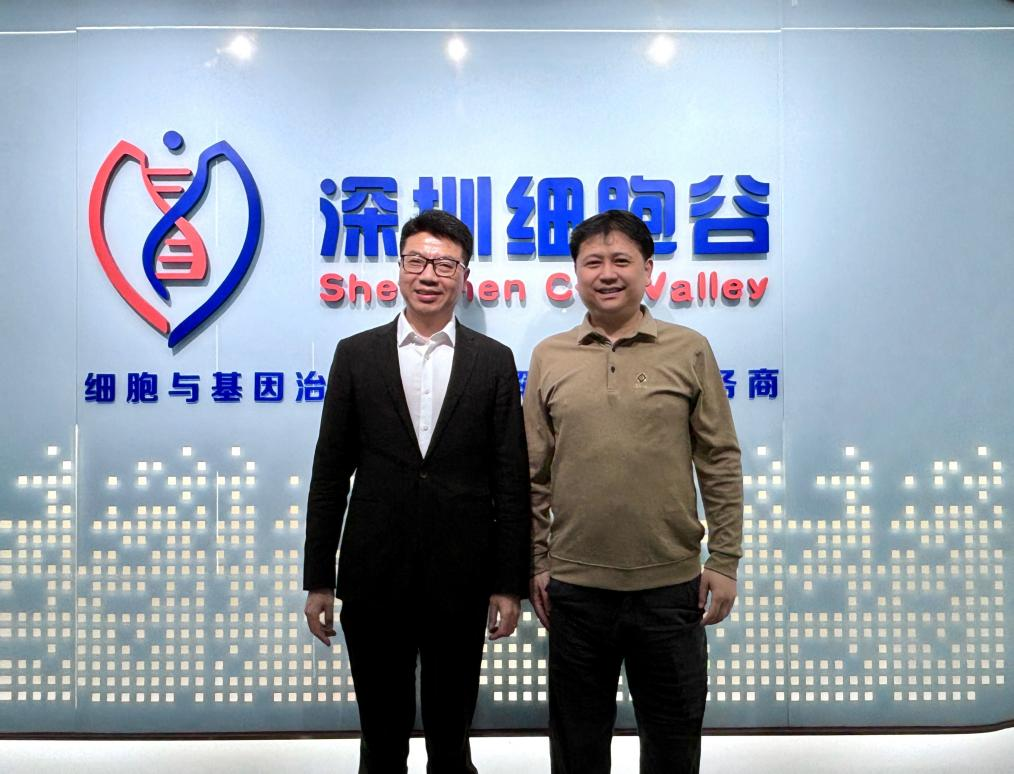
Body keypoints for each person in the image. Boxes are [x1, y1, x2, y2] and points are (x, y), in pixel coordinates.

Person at [303, 209, 530, 774]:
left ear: (464, 276)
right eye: (417, 261)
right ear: (400, 269)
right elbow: (330, 474)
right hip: (374, 573)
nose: (429, 274)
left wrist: (508, 584)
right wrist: (319, 579)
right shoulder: (356, 354)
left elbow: (510, 480)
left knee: (451, 738)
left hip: (462, 575)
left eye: (445, 264)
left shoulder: (493, 361)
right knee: (381, 739)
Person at [524, 209, 743, 774]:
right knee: (577, 751)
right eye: (592, 262)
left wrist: (724, 560)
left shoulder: (689, 349)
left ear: (648, 269)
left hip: (671, 588)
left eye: (621, 260)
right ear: (575, 273)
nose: (607, 273)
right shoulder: (550, 355)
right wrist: (536, 560)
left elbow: (719, 459)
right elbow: (532, 472)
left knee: (673, 747)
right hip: (575, 589)